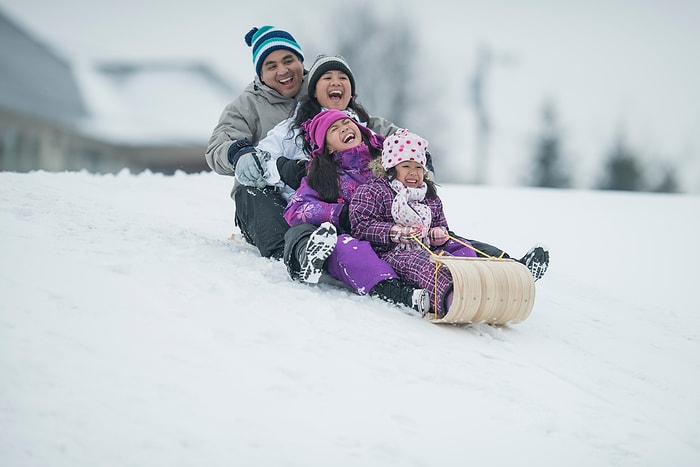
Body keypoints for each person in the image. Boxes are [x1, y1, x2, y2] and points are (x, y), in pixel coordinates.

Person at [349, 129, 550, 317]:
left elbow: (440, 224)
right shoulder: (373, 190)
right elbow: (361, 225)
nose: (413, 172)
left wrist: (438, 233)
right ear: (391, 168)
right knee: (428, 266)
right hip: (391, 253)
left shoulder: (428, 195)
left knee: (463, 253)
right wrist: (395, 232)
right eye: (406, 166)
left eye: (418, 167)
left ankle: (498, 286)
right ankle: (453, 299)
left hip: (427, 248)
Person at [283, 109, 430, 313]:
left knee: (447, 241)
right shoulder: (323, 176)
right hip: (358, 238)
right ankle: (400, 294)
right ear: (328, 147)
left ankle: (483, 266)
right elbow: (296, 209)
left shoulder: (386, 160)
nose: (344, 128)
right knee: (346, 248)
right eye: (334, 129)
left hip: (399, 235)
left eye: (346, 123)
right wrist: (340, 213)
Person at [204, 25, 307, 259]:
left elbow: (365, 123)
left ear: (301, 61)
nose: (283, 70)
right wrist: (237, 153)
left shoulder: (322, 89)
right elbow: (218, 145)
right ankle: (290, 252)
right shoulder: (247, 105)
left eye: (288, 60)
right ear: (261, 74)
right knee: (252, 193)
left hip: (314, 190)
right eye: (271, 66)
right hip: (268, 197)